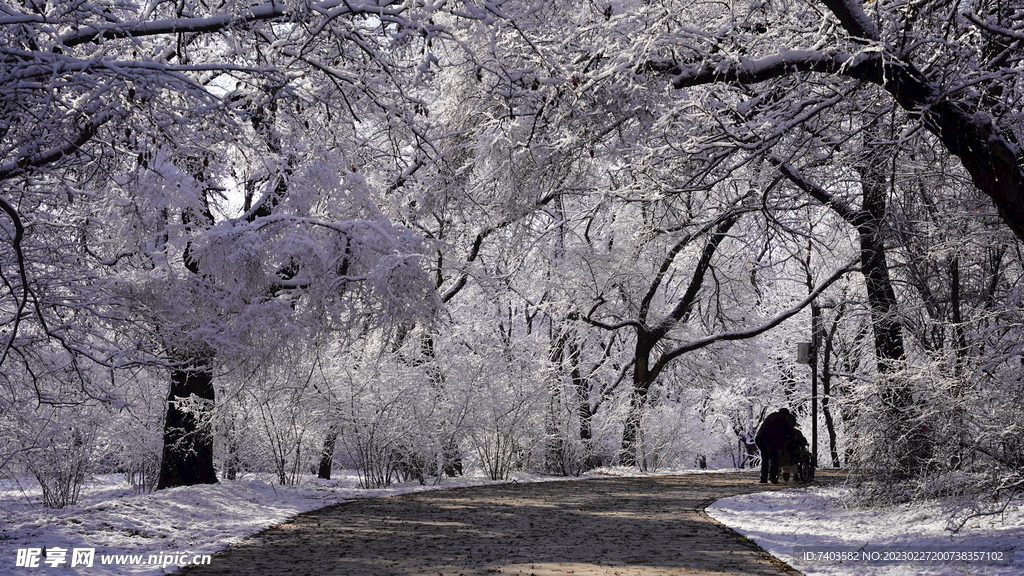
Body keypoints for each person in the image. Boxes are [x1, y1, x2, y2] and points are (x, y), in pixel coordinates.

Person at [755, 407, 798, 484]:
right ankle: (772, 477)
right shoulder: (783, 418)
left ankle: (763, 478)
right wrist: (793, 437)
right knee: (774, 458)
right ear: (786, 415)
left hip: (759, 437)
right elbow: (789, 430)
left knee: (765, 458)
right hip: (769, 438)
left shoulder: (772, 415)